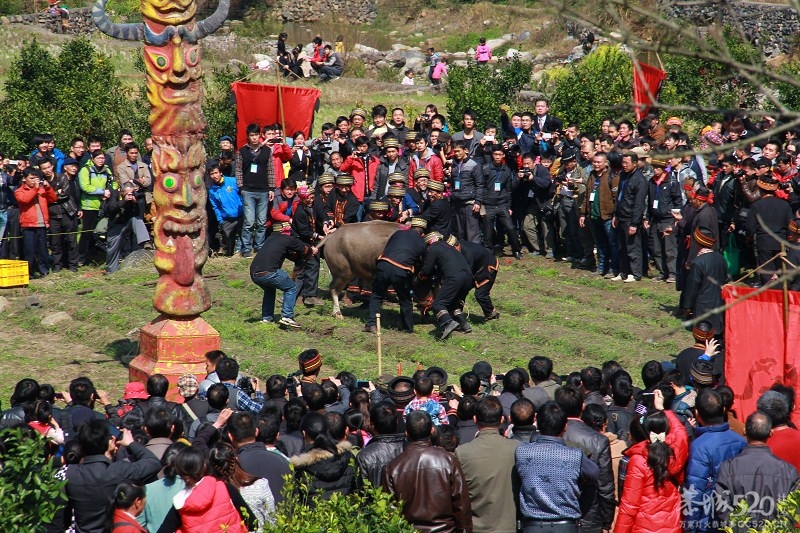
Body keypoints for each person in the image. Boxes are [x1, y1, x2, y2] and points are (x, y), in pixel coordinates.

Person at [515, 401, 599, 533]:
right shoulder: (575, 455)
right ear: (565, 426)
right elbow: (594, 473)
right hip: (567, 525)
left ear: (536, 422)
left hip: (532, 526)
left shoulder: (521, 451)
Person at [383, 410, 472, 532]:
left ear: (406, 433)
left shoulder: (393, 467)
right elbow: (461, 504)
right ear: (432, 431)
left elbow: (390, 511)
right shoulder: (448, 460)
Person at [65, 420, 161, 533]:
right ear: (109, 443)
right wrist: (131, 443)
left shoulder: (71, 473)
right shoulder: (117, 471)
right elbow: (153, 463)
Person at [615, 393, 689, 533]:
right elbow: (681, 434)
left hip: (644, 527)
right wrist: (663, 409)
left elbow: (629, 507)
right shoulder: (673, 453)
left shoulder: (639, 460)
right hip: (672, 525)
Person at [715, 411, 800, 530]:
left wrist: (741, 530)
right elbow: (792, 511)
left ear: (745, 431)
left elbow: (722, 507)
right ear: (771, 433)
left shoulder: (728, 468)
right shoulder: (788, 471)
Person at [684, 388, 747, 532]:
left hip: (709, 521)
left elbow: (695, 492)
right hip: (738, 517)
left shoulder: (699, 446)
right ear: (724, 409)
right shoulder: (741, 441)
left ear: (697, 414)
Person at [454, 397, 519, 533]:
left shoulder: (462, 452)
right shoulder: (517, 448)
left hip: (477, 527)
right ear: (502, 420)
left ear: (475, 419)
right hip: (510, 527)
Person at [557, 386, 615, 533]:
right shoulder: (599, 440)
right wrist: (607, 520)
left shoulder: (550, 434)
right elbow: (605, 485)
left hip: (556, 514)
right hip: (590, 515)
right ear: (583, 406)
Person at [249, 221, 317, 328]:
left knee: (269, 290)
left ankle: (267, 318)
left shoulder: (270, 239)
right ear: (284, 230)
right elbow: (303, 249)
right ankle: (287, 316)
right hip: (269, 272)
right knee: (291, 287)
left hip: (254, 274)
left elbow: (290, 254)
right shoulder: (287, 239)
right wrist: (312, 250)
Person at [364, 217, 427, 333]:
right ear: (422, 233)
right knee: (405, 300)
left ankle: (371, 324)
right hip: (402, 270)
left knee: (377, 295)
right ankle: (407, 329)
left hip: (384, 264)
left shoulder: (398, 233)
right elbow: (421, 262)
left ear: (411, 227)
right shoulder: (422, 243)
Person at [290, 412, 357, 501]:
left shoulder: (301, 467)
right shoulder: (347, 456)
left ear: (304, 433)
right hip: (345, 511)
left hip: (313, 513)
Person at [418, 232, 474, 339]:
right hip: (468, 277)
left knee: (438, 304)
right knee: (453, 303)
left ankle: (448, 322)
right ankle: (464, 324)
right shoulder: (449, 247)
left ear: (430, 242)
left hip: (454, 277)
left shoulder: (433, 248)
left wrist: (421, 276)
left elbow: (427, 269)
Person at [236, 123, 276, 258]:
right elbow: (238, 170)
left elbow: (271, 170)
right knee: (249, 221)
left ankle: (259, 247)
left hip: (264, 190)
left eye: (256, 135)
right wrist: (241, 187)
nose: (254, 138)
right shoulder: (242, 151)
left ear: (260, 135)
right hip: (248, 190)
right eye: (251, 135)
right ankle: (246, 248)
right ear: (248, 136)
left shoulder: (266, 151)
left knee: (261, 222)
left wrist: (271, 188)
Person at [681, 227, 728, 333]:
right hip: (719, 304)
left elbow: (692, 286)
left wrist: (687, 307)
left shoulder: (698, 262)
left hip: (703, 307)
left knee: (704, 339)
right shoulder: (721, 259)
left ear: (697, 243)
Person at [481, 144, 522, 259]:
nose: (497, 157)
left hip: (502, 204)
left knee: (510, 227)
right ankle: (489, 252)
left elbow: (508, 190)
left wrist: (509, 206)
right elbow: (481, 186)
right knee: (488, 231)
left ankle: (516, 250)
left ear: (503, 155)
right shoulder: (485, 169)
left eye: (500, 154)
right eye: (495, 154)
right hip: (488, 204)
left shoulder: (507, 170)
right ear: (492, 155)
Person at [14, 167, 57, 277]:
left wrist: (48, 188)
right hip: (28, 225)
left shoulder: (41, 189)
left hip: (42, 223)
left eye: (36, 178)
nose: (34, 181)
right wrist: (35, 189)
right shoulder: (19, 191)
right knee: (30, 250)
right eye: (31, 178)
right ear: (24, 179)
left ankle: (44, 270)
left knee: (43, 249)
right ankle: (30, 273)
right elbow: (25, 200)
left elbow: (53, 199)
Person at [104, 181, 151, 274]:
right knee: (112, 247)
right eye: (128, 193)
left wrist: (135, 203)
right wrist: (124, 201)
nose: (130, 194)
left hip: (128, 221)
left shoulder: (134, 196)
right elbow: (111, 208)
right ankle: (111, 271)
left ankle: (145, 240)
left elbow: (138, 213)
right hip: (116, 223)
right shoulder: (114, 194)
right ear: (122, 191)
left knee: (137, 220)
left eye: (132, 192)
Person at [356, 401, 406, 487]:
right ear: (397, 422)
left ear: (372, 425)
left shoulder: (364, 456)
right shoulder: (410, 448)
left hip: (377, 499)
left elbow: (362, 490)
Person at [450, 235, 500, 320]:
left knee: (480, 294)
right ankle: (456, 313)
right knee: (461, 291)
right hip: (475, 267)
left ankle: (491, 313)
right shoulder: (457, 250)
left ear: (457, 245)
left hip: (487, 268)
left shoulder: (468, 254)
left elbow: (466, 274)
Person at [78, 150, 114, 265]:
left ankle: (96, 256)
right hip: (89, 206)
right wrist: (102, 192)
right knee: (87, 233)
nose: (101, 160)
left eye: (103, 158)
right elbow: (85, 186)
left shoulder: (107, 170)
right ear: (92, 159)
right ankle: (81, 258)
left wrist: (110, 192)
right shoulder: (85, 170)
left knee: (100, 232)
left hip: (103, 206)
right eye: (98, 158)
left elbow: (113, 183)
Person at [48, 157, 82, 272]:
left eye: (76, 166)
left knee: (72, 240)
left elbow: (69, 195)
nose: (74, 168)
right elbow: (47, 197)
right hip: (54, 213)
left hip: (70, 211)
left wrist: (79, 208)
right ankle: (58, 265)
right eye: (72, 166)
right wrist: (55, 194)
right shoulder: (58, 178)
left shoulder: (75, 180)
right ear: (65, 167)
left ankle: (73, 265)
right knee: (56, 241)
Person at [447, 140, 483, 243]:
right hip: (457, 203)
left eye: (458, 151)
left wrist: (478, 202)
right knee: (460, 233)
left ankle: (476, 255)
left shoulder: (474, 165)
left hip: (470, 203)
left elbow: (479, 185)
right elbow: (452, 183)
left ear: (465, 150)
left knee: (472, 233)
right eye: (455, 151)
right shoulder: (454, 164)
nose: (456, 154)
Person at [207, 164, 242, 257]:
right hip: (226, 218)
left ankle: (242, 252)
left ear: (220, 173)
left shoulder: (232, 181)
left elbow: (242, 194)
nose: (214, 176)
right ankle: (229, 253)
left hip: (240, 214)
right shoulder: (212, 191)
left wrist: (243, 208)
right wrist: (220, 220)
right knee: (228, 238)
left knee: (243, 235)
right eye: (212, 174)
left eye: (216, 173)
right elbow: (215, 207)